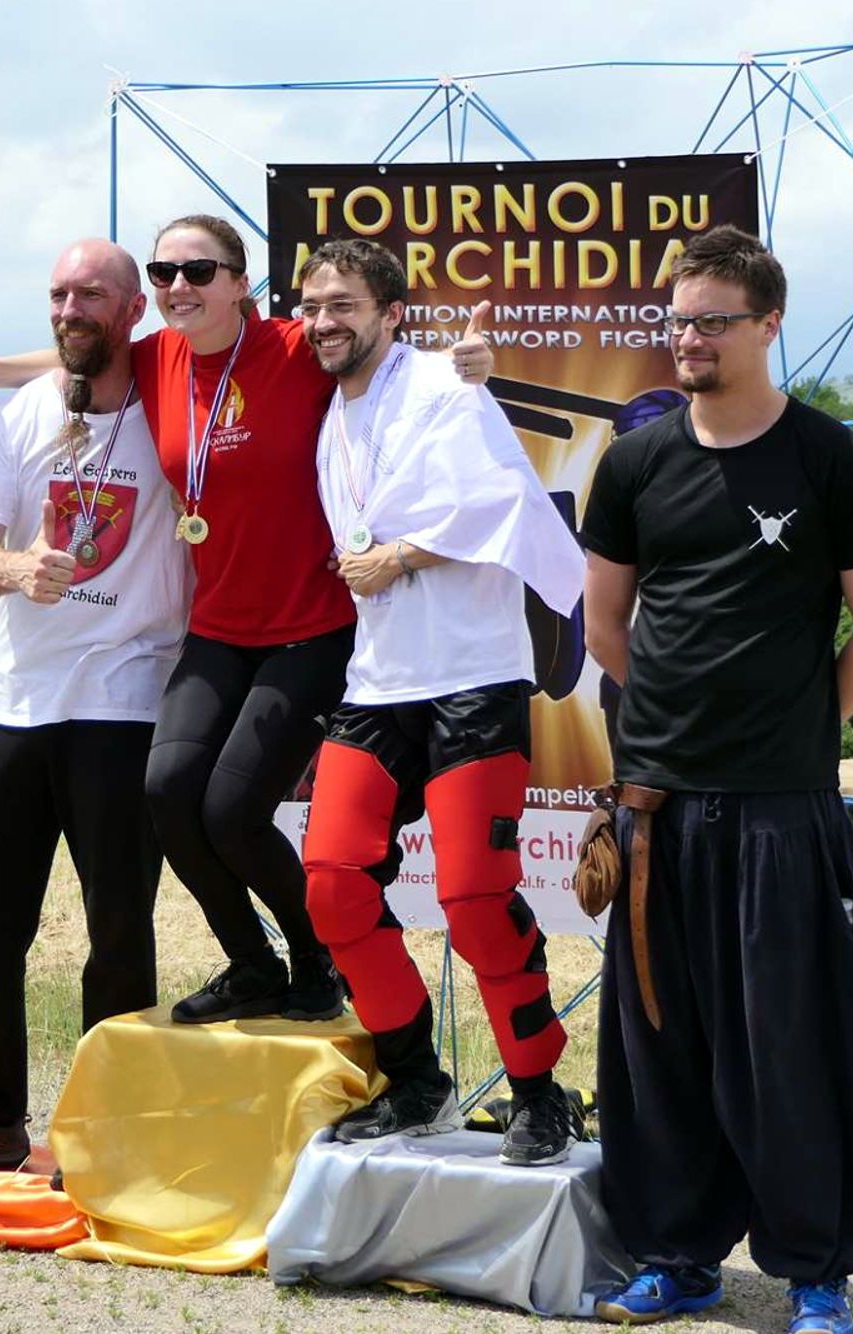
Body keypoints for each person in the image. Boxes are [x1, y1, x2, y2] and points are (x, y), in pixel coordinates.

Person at [0, 216, 491, 1026]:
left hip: (311, 626)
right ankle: (253, 962)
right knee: (167, 792)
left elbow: (391, 360)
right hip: (218, 629)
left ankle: (319, 958)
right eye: (164, 273)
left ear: (244, 284)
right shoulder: (159, 356)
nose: (178, 288)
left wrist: (466, 363)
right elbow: (72, 351)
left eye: (199, 272)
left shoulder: (297, 347)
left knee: (231, 810)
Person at [579, 225, 853, 1333]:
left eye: (713, 320)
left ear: (768, 324)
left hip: (782, 808)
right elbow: (606, 624)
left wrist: (797, 728)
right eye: (675, 320)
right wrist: (675, 736)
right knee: (657, 1048)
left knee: (795, 1050)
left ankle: (815, 1268)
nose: (689, 340)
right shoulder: (633, 461)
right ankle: (675, 1255)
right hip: (656, 807)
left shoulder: (833, 461)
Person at [0, 240, 190, 1178]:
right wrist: (16, 567)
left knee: (119, 930)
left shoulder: (178, 407)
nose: (71, 306)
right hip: (12, 701)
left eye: (93, 292)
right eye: (58, 293)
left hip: (128, 698)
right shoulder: (11, 418)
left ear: (135, 309)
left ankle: (105, 1128)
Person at [289, 240, 587, 1165]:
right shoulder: (328, 411)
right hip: (378, 683)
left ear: (391, 312)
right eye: (311, 305)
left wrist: (403, 555)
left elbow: (502, 502)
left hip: (472, 678)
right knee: (334, 886)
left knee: (473, 896)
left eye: (343, 304)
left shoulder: (448, 386)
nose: (324, 320)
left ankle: (540, 1092)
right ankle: (416, 1081)